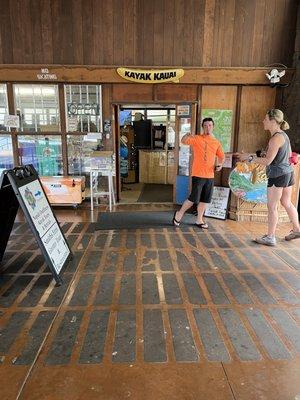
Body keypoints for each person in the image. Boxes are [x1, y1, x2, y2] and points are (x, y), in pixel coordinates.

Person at [238, 109, 300, 246]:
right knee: (286, 202)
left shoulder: (275, 138)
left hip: (277, 175)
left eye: (265, 119)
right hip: (288, 173)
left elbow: (267, 161)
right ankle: (296, 229)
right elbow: (286, 156)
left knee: (272, 206)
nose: (263, 121)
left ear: (273, 121)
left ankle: (270, 237)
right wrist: (249, 154)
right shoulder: (283, 135)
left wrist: (248, 158)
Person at [173, 117, 225, 228]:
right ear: (202, 127)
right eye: (205, 126)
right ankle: (179, 214)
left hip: (210, 175)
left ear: (213, 127)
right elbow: (183, 141)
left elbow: (221, 156)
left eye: (210, 125)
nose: (208, 128)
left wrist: (220, 165)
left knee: (205, 200)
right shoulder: (196, 138)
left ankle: (199, 220)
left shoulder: (216, 142)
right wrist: (187, 135)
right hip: (198, 174)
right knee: (193, 199)